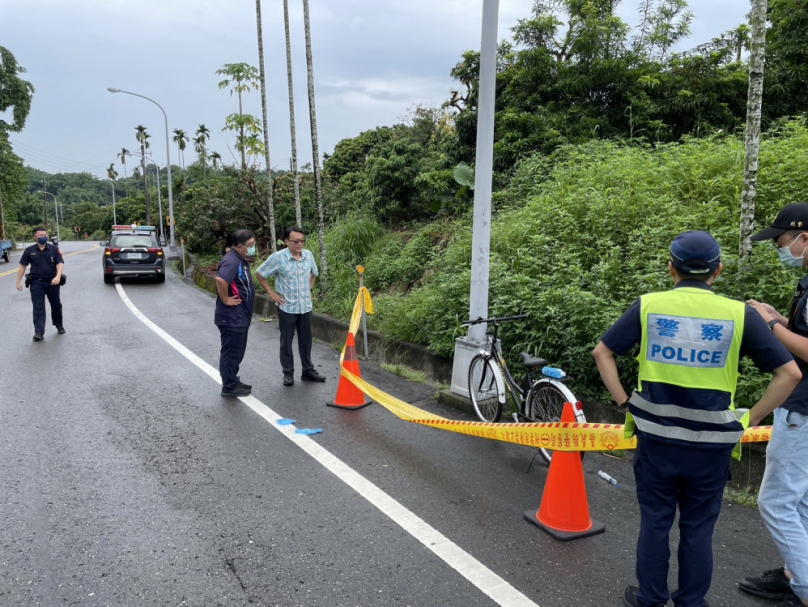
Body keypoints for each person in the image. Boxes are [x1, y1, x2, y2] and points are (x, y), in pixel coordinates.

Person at [592, 231, 800, 607]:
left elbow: (602, 352)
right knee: (698, 529)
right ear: (717, 271)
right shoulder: (740, 314)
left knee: (655, 523)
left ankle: (650, 599)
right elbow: (790, 374)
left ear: (671, 268)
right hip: (711, 447)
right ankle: (690, 602)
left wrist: (624, 402)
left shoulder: (649, 306)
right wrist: (749, 420)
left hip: (656, 442)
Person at [740, 203, 808, 607]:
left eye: (783, 241)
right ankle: (793, 573)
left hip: (803, 409)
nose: (780, 249)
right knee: (799, 501)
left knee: (776, 501)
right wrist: (776, 316)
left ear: (804, 238)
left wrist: (768, 326)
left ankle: (802, 587)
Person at [255, 227, 326, 386]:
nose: (300, 244)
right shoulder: (278, 258)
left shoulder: (308, 255)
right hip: (287, 307)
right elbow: (260, 273)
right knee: (286, 341)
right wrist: (272, 294)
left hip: (305, 307)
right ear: (287, 242)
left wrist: (309, 289)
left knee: (306, 341)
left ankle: (308, 370)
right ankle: (288, 373)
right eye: (296, 241)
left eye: (302, 240)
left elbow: (314, 273)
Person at [215, 229, 256, 398]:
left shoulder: (240, 258)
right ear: (240, 247)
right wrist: (226, 299)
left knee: (237, 351)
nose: (253, 248)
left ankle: (232, 379)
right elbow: (220, 279)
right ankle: (229, 386)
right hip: (232, 316)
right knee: (232, 351)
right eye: (250, 245)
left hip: (239, 315)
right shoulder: (232, 261)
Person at [16, 227, 65, 341]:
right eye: (41, 235)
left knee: (56, 305)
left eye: (45, 235)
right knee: (38, 307)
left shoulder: (54, 249)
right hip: (36, 283)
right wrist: (18, 281)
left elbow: (60, 263)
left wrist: (58, 277)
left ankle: (59, 325)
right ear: (35, 237)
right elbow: (23, 266)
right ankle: (39, 332)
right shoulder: (29, 251)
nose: (44, 237)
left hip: (52, 282)